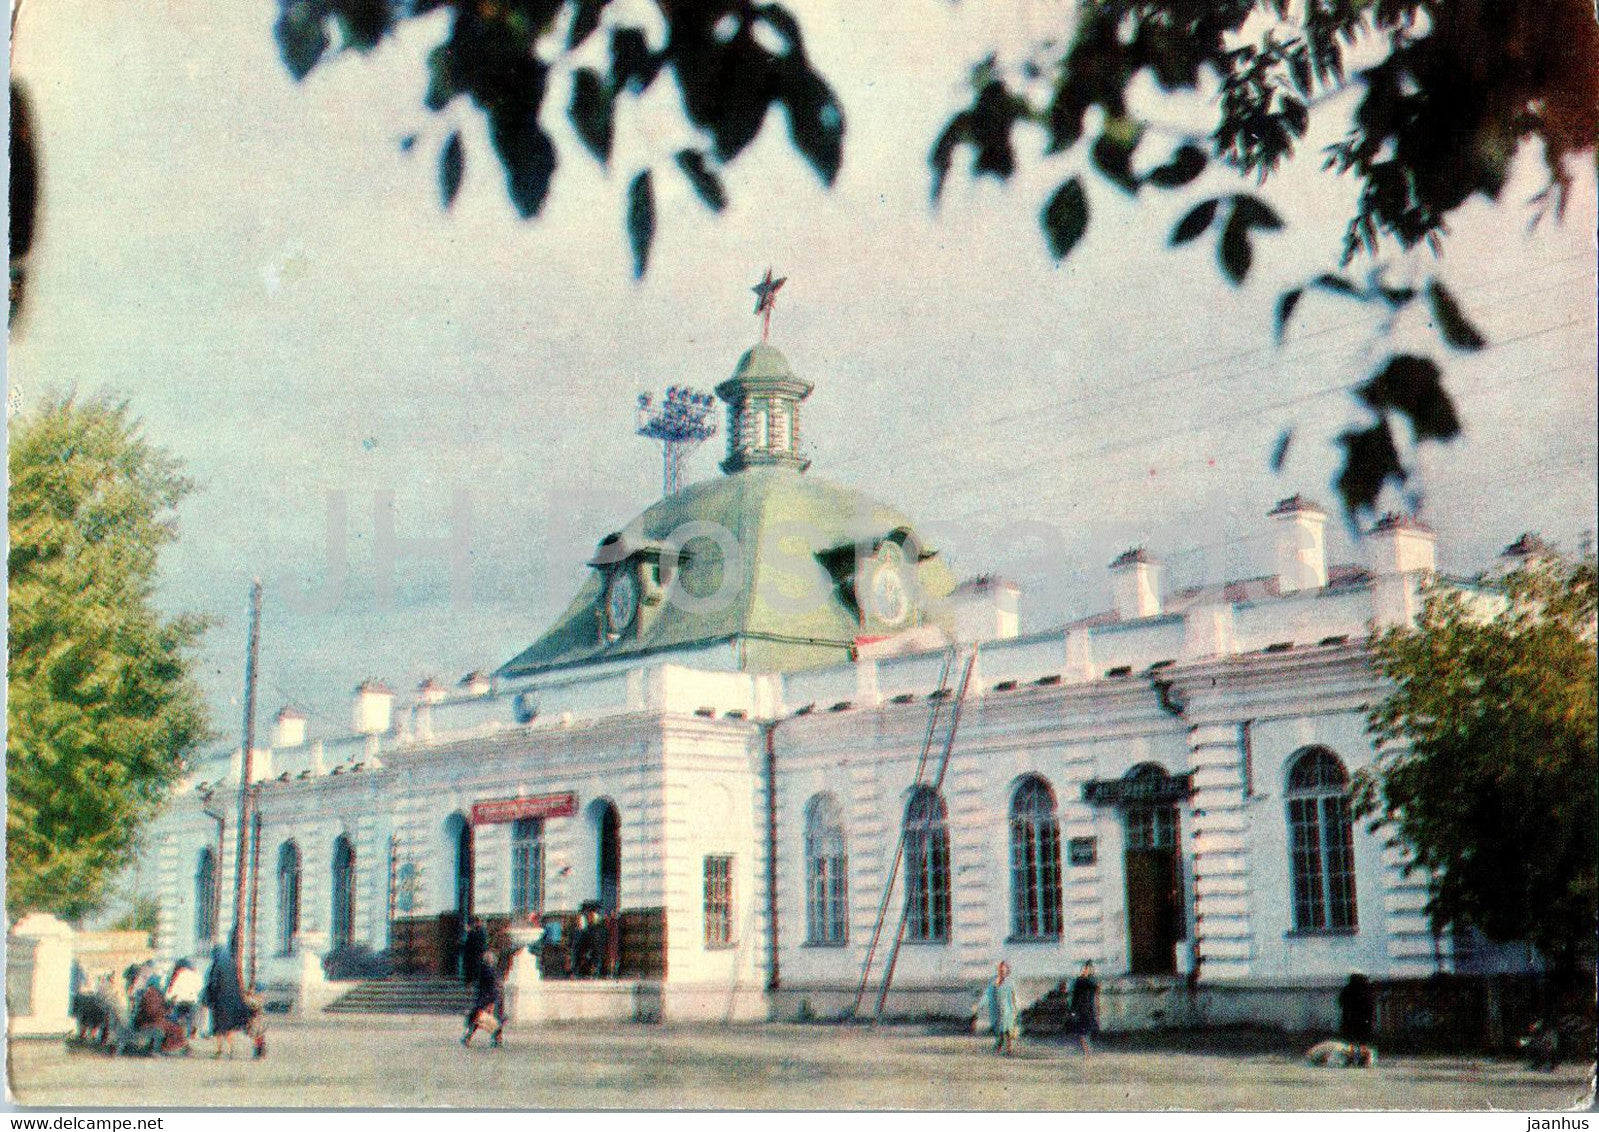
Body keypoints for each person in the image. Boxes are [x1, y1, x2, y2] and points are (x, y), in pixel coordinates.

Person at [200, 945, 254, 1058]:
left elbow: (213, 983)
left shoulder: (216, 965)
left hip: (219, 1003)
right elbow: (238, 983)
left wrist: (209, 998)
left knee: (218, 1028)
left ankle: (219, 1050)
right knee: (229, 1027)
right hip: (232, 1002)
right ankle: (229, 1050)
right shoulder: (232, 965)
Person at [134, 977, 189, 1055]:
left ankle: (174, 1047)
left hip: (157, 1019)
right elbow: (151, 1011)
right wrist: (163, 1012)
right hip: (148, 1022)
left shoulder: (156, 994)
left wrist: (166, 1009)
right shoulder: (151, 994)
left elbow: (160, 1008)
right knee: (169, 1027)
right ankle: (167, 1048)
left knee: (175, 1027)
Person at [461, 950, 505, 1048]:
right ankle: (496, 1039)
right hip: (489, 1000)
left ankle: (468, 1036)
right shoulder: (491, 972)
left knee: (478, 1020)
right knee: (493, 1021)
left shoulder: (482, 971)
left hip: (483, 1000)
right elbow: (494, 988)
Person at [980, 961, 1020, 1056]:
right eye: (1000, 970)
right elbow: (987, 995)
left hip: (1007, 1011)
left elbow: (1013, 998)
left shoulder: (1010, 983)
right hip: (997, 1011)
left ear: (1006, 972)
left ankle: (1007, 1050)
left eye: (1003, 971)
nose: (1001, 972)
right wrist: (981, 1005)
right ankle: (999, 1049)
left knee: (1007, 1031)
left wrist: (1015, 1010)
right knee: (1000, 1032)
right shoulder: (993, 982)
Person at [1068, 961, 1100, 1055]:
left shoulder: (1090, 980)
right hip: (1082, 1009)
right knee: (1082, 1031)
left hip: (1089, 1008)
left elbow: (1095, 989)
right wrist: (1073, 1010)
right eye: (1084, 969)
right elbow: (1075, 996)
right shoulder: (1080, 981)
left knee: (1089, 1029)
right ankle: (1087, 1051)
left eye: (1087, 969)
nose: (1085, 971)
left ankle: (1088, 1050)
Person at [166, 959, 202, 1037]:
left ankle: (172, 1032)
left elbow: (172, 990)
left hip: (180, 1001)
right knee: (191, 1020)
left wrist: (169, 998)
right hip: (192, 1001)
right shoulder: (195, 974)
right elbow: (199, 988)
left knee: (175, 1017)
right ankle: (191, 1035)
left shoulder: (178, 973)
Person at [1338, 972, 1375, 1045]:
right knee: (1362, 1040)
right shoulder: (1366, 989)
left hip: (1350, 1019)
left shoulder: (1347, 989)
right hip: (1363, 1020)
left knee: (1351, 1040)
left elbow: (1341, 1002)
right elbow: (1370, 1006)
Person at [461, 916, 488, 986]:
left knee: (475, 968)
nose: (475, 923)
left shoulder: (481, 931)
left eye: (477, 922)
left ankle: (473, 982)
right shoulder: (474, 931)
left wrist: (470, 931)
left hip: (476, 953)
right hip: (471, 953)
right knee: (470, 968)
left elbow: (479, 941)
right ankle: (469, 982)